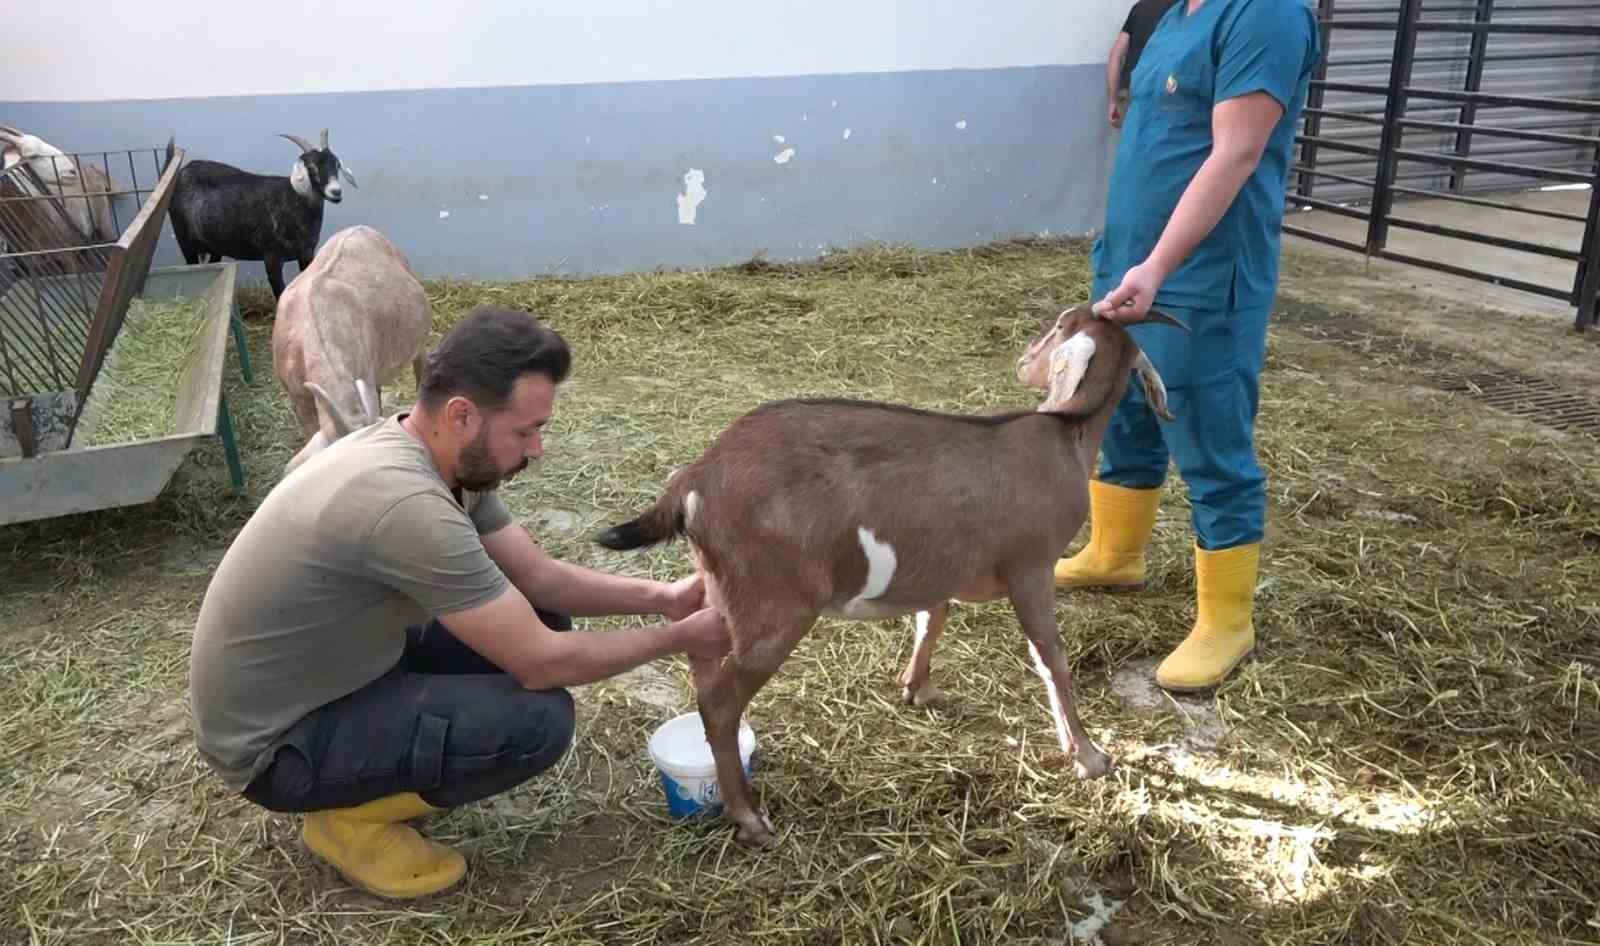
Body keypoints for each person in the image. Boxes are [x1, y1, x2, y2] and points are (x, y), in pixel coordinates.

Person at [188, 305, 732, 900]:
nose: (538, 449)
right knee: (536, 724)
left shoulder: (439, 460)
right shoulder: (404, 504)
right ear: (461, 415)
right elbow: (541, 662)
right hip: (277, 746)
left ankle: (375, 770)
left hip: (339, 670)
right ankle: (347, 818)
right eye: (525, 431)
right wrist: (678, 638)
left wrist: (667, 598)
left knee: (540, 613)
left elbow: (539, 577)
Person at [1058, 0, 1321, 693]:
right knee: (1123, 409)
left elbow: (1236, 151)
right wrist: (1126, 254)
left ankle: (1227, 623)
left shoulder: (1264, 14)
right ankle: (1116, 552)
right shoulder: (1175, 12)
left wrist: (1160, 264)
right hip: (1132, 260)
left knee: (1207, 438)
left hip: (1200, 276)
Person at [1106, 0, 1182, 129]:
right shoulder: (1183, 10)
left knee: (1132, 144)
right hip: (1162, 91)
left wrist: (1113, 101)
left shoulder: (1139, 8)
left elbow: (1115, 56)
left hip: (1130, 91)